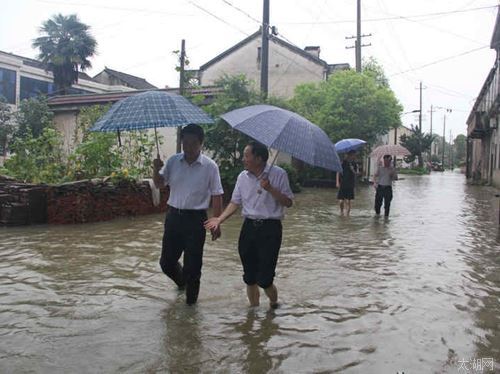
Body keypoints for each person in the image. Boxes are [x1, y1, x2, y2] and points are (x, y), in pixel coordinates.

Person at [204, 141, 294, 309]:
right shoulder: (242, 177)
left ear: (259, 158)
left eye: (247, 156)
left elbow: (288, 202)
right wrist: (219, 219)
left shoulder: (279, 174)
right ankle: (252, 313)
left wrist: (271, 189)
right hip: (249, 228)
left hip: (271, 229)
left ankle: (274, 304)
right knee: (250, 276)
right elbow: (234, 202)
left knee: (265, 279)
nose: (243, 159)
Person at [153, 124, 223, 305]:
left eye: (193, 143)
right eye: (185, 143)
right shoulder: (173, 161)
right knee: (166, 263)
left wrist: (217, 221)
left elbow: (217, 194)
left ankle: (191, 309)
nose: (188, 148)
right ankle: (182, 283)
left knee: (193, 267)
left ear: (201, 143)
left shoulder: (210, 166)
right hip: (174, 217)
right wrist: (155, 170)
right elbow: (160, 184)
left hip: (196, 220)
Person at [336, 150, 358, 216]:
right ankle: (341, 212)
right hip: (343, 183)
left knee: (348, 201)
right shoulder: (343, 163)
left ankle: (347, 215)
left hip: (350, 184)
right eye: (353, 155)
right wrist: (337, 182)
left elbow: (356, 174)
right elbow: (338, 172)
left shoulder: (354, 164)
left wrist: (352, 170)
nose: (354, 156)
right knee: (341, 201)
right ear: (350, 155)